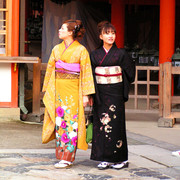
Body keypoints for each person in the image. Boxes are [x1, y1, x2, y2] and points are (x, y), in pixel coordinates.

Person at [42, 19, 95, 168]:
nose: (59, 30)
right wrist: (48, 89)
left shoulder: (81, 50)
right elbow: (51, 70)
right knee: (60, 123)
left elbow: (86, 72)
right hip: (58, 88)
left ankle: (68, 157)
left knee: (70, 123)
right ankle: (61, 155)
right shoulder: (56, 49)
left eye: (63, 28)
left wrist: (86, 94)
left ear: (71, 32)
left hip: (73, 90)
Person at [90, 21, 135, 170]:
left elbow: (130, 73)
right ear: (100, 36)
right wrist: (92, 94)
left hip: (116, 93)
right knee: (101, 125)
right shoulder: (94, 55)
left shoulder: (121, 53)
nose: (111, 36)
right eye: (107, 33)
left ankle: (120, 159)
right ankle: (104, 158)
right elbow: (90, 75)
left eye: (113, 33)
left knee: (116, 125)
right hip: (101, 94)